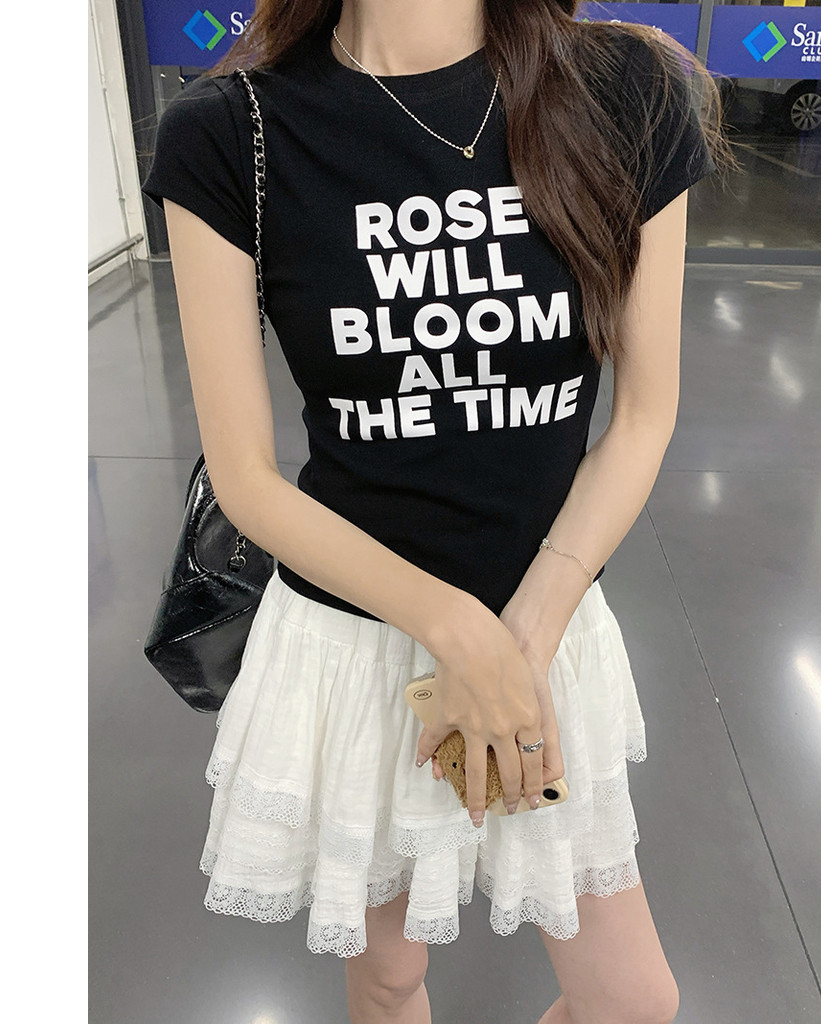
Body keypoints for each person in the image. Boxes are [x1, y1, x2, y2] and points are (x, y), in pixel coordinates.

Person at [141, 1, 730, 1021]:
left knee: (631, 1001)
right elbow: (245, 477)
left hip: (539, 636)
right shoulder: (231, 131)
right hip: (358, 647)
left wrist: (518, 641)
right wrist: (455, 628)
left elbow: (643, 417)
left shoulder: (623, 94)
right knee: (388, 974)